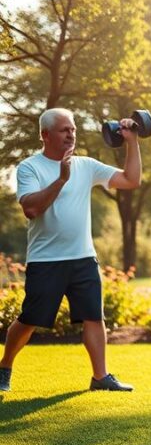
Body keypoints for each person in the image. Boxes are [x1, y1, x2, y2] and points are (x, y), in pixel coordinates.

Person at [0, 108, 143, 393]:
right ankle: (4, 366)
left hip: (83, 258)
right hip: (46, 260)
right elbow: (31, 208)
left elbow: (131, 180)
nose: (71, 134)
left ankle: (100, 377)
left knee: (93, 316)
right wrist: (62, 179)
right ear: (45, 135)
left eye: (73, 129)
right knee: (30, 319)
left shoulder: (86, 165)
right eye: (64, 130)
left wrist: (132, 141)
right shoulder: (30, 168)